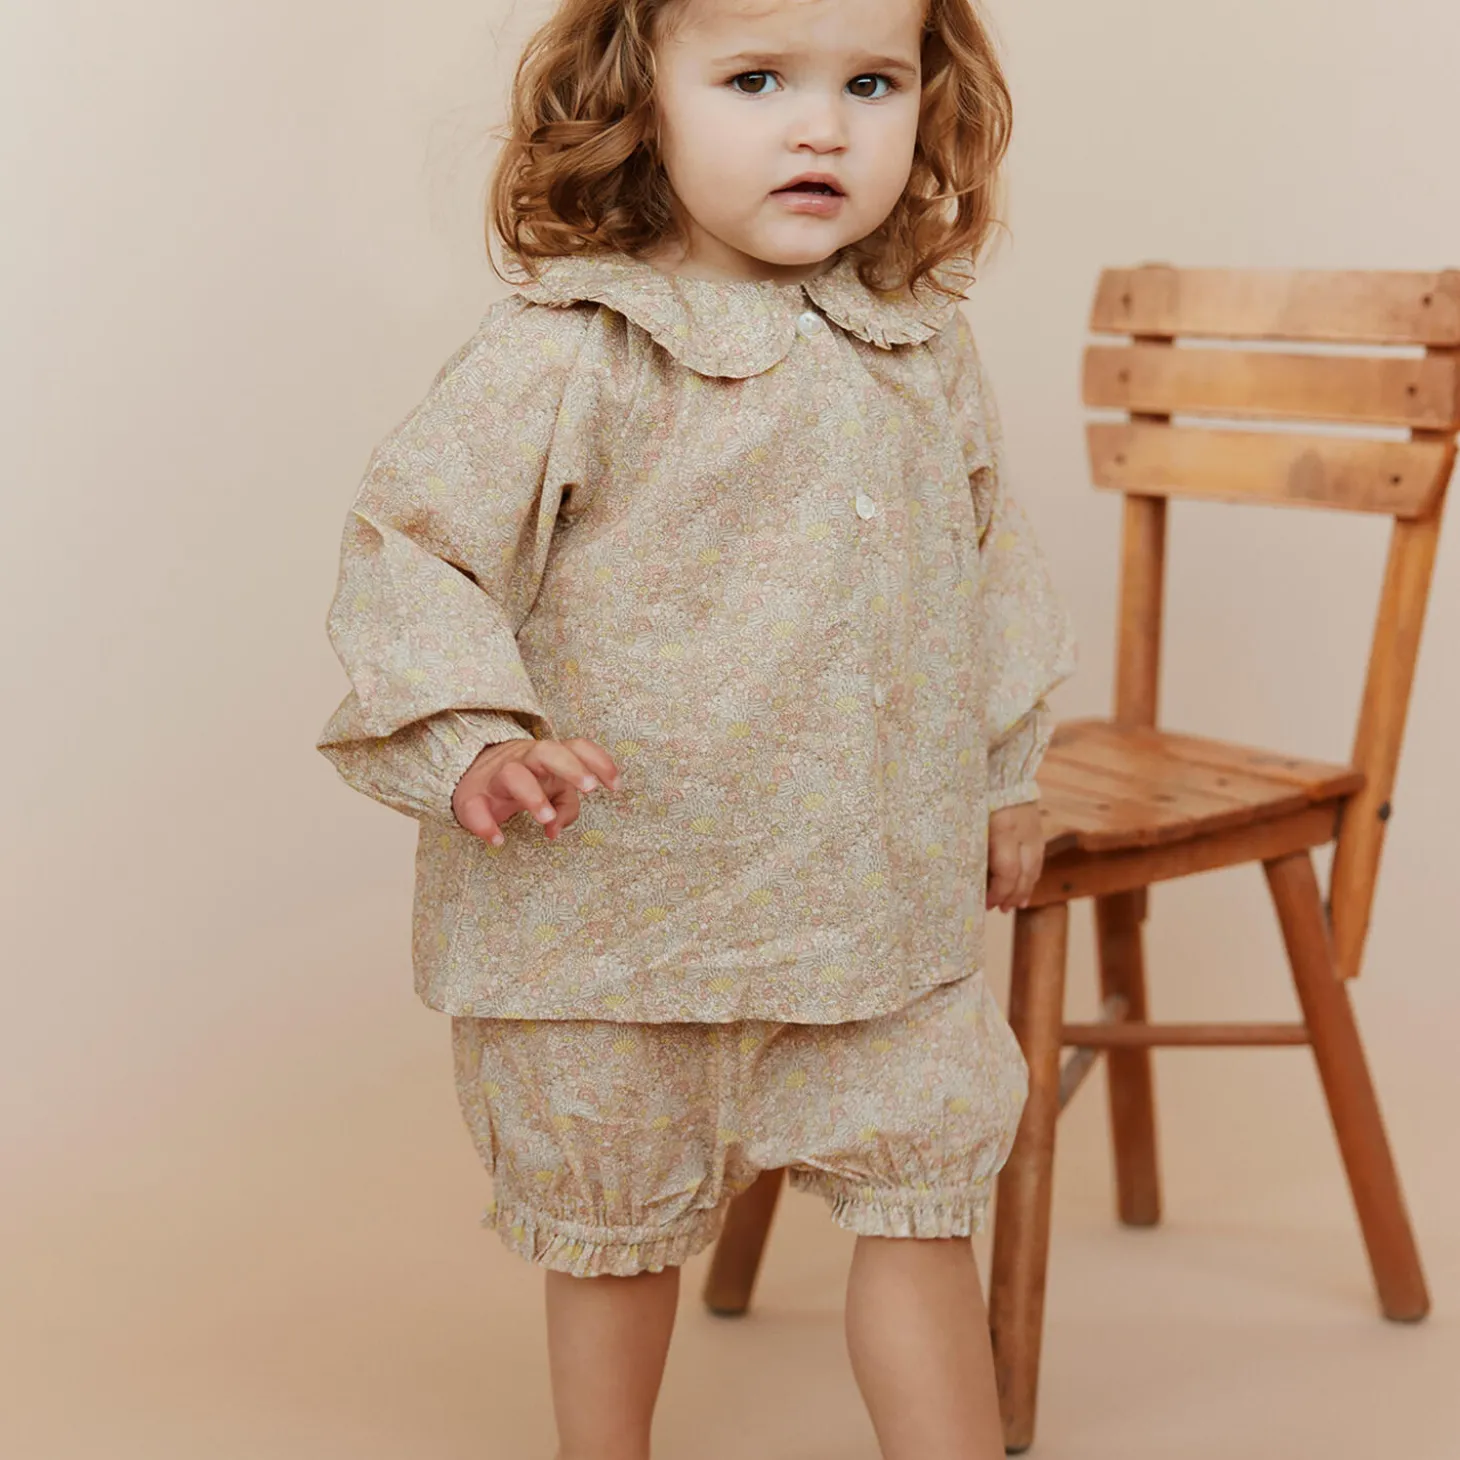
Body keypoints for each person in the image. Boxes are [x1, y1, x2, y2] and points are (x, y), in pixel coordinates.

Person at [316, 0, 1075, 1453]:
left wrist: (1003, 771)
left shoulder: (917, 343)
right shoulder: (575, 350)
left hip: (872, 915)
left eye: (873, 82)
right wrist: (477, 740)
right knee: (617, 1233)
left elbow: (981, 568)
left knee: (921, 1204)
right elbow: (416, 551)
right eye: (756, 79)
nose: (822, 127)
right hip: (621, 923)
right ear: (636, 93)